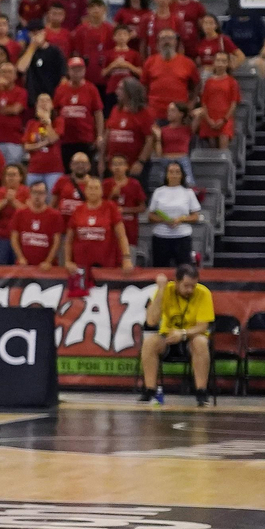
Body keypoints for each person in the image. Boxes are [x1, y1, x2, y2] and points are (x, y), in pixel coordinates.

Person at [139, 266, 213, 405]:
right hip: (168, 337)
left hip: (191, 337)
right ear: (176, 282)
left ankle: (201, 392)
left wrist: (183, 333)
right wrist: (161, 291)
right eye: (186, 286)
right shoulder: (166, 290)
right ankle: (150, 390)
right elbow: (151, 321)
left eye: (193, 286)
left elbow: (203, 326)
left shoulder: (203, 293)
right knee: (149, 342)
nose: (190, 290)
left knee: (201, 342)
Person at [64, 177, 133, 272]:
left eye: (96, 188)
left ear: (102, 191)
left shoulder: (110, 207)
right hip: (81, 266)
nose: (93, 191)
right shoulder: (78, 210)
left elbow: (121, 236)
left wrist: (126, 258)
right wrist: (67, 261)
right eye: (90, 188)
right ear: (85, 191)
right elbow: (69, 240)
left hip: (107, 265)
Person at [146, 161, 202, 266]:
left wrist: (181, 219)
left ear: (182, 175)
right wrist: (165, 220)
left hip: (182, 238)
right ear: (166, 174)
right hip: (161, 237)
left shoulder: (188, 192)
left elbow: (195, 216)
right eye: (171, 172)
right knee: (160, 269)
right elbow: (150, 216)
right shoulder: (158, 192)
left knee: (184, 270)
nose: (174, 175)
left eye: (177, 172)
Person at [53, 57, 104, 169]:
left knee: (85, 169)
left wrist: (99, 135)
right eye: (74, 69)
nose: (77, 73)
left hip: (85, 138)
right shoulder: (61, 89)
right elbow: (55, 112)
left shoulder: (91, 89)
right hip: (65, 139)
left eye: (80, 69)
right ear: (68, 71)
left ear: (84, 70)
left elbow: (98, 113)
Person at [11, 181, 64, 267]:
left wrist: (48, 261)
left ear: (46, 194)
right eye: (34, 192)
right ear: (30, 194)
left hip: (47, 268)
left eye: (41, 193)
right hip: (24, 266)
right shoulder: (20, 213)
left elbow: (57, 241)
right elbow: (14, 238)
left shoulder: (55, 215)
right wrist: (20, 258)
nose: (37, 196)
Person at [0, 164, 28, 264]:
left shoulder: (26, 191)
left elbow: (28, 212)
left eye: (14, 175)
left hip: (21, 237)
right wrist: (5, 201)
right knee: (0, 267)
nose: (11, 178)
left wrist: (13, 201)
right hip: (1, 236)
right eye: (8, 175)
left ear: (20, 177)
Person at [197, 51, 240, 148]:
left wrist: (224, 120)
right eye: (218, 60)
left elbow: (233, 104)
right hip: (209, 119)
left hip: (224, 119)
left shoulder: (232, 82)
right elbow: (204, 102)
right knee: (212, 150)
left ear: (227, 64)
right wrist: (208, 119)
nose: (220, 64)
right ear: (214, 62)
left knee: (223, 148)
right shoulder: (208, 82)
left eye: (223, 61)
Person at [23, 94, 64, 191]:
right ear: (36, 105)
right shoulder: (31, 123)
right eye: (41, 101)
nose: (44, 103)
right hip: (34, 169)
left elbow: (53, 138)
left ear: (52, 105)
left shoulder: (58, 121)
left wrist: (47, 121)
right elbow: (26, 146)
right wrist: (41, 144)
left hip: (54, 170)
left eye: (47, 101)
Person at [152, 100, 197, 187]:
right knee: (163, 184)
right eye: (168, 110)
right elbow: (158, 154)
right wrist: (158, 138)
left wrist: (190, 113)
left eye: (173, 110)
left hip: (182, 159)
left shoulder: (187, 129)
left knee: (189, 185)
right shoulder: (163, 130)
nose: (169, 113)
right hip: (166, 159)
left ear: (181, 114)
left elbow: (199, 113)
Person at [104, 154, 147, 234]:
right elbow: (100, 207)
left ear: (126, 166)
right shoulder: (106, 184)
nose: (117, 167)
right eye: (115, 164)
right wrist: (111, 195)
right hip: (111, 226)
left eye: (120, 164)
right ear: (110, 167)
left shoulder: (135, 184)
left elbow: (142, 208)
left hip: (130, 227)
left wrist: (125, 210)